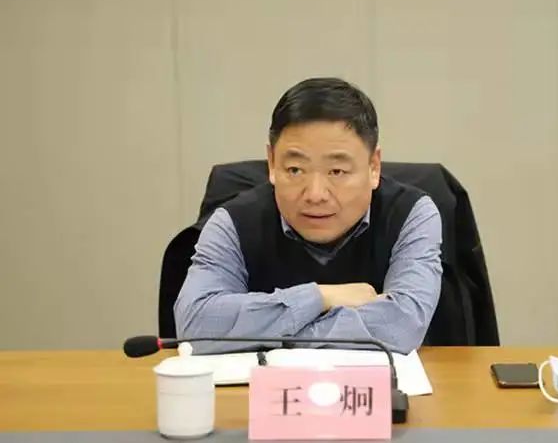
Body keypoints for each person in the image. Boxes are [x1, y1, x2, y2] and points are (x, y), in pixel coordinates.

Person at [174, 77, 443, 354]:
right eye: (295, 170)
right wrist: (320, 296)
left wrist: (263, 330)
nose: (315, 194)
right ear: (272, 163)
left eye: (336, 171)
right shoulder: (233, 222)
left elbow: (402, 326)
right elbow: (194, 325)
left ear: (373, 166)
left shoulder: (412, 215)